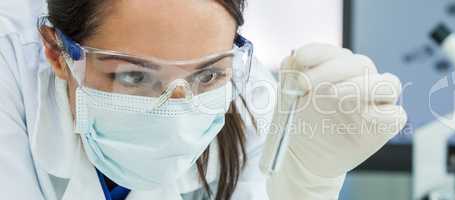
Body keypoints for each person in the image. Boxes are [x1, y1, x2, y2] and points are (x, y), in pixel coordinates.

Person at [0, 0, 407, 200]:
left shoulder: (244, 88)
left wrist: (306, 186)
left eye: (207, 73)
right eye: (134, 75)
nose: (177, 116)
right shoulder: (8, 68)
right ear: (56, 52)